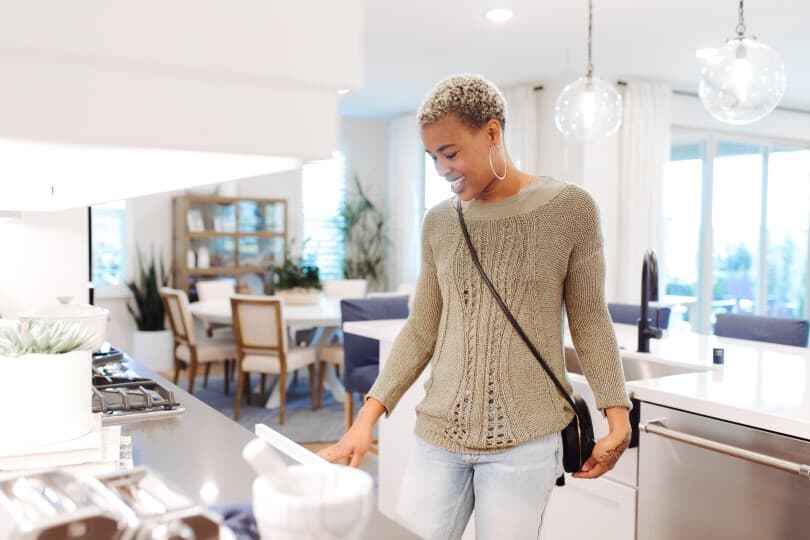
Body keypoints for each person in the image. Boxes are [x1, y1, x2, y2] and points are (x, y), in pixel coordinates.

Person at [319, 74, 632, 540]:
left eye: (450, 153)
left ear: (491, 132)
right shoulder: (439, 222)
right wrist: (365, 420)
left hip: (526, 440)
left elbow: (589, 319)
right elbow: (422, 328)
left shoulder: (570, 209)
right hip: (438, 434)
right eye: (433, 157)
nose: (442, 169)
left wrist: (617, 417)